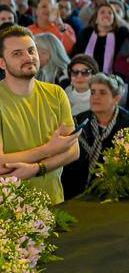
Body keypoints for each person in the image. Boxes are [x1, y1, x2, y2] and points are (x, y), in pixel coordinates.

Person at [0, 26, 81, 205]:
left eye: (31, 50)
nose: (28, 57)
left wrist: (37, 168)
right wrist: (48, 150)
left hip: (55, 202)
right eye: (17, 54)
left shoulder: (56, 93)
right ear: (2, 63)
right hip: (10, 212)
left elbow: (73, 151)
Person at [60, 73, 129, 199]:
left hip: (118, 193)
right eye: (93, 92)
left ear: (116, 98)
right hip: (78, 192)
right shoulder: (80, 121)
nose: (95, 97)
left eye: (102, 93)